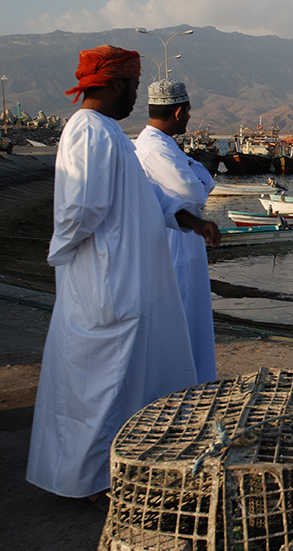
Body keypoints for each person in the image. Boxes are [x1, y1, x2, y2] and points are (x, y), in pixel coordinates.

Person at [26, 45, 221, 502]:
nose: (136, 96)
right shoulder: (88, 132)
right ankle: (89, 482)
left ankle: (117, 471)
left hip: (125, 282)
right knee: (101, 389)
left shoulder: (110, 134)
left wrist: (189, 221)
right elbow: (80, 209)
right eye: (133, 86)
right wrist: (65, 255)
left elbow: (146, 197)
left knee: (125, 383)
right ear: (114, 84)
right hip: (105, 284)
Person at [135, 79, 218, 383]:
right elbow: (197, 190)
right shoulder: (155, 149)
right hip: (175, 244)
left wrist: (195, 176)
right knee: (181, 318)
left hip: (183, 240)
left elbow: (202, 183)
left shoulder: (161, 145)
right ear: (180, 112)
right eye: (190, 113)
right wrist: (196, 175)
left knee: (190, 318)